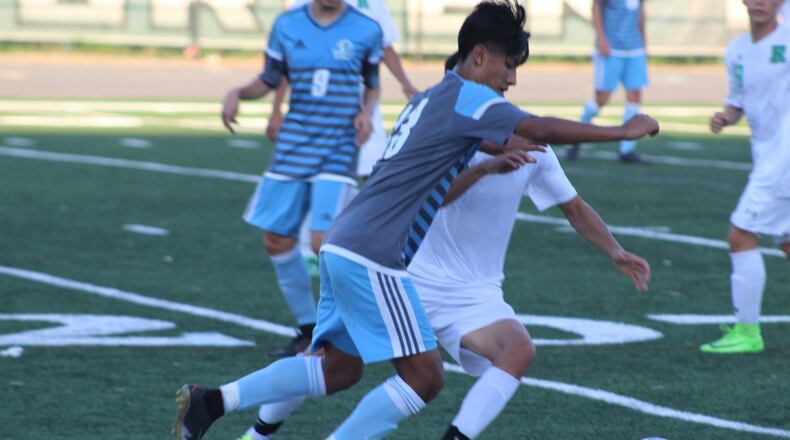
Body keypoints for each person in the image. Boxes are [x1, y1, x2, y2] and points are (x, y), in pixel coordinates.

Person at [173, 2, 659, 439]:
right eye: (508, 67)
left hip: (345, 243)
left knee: (338, 369)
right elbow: (537, 127)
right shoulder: (469, 98)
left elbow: (490, 141)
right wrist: (622, 128)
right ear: (479, 56)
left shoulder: (431, 98)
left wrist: (498, 156)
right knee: (426, 378)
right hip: (374, 255)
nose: (510, 81)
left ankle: (213, 401)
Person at [226, 0, 383, 358]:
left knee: (321, 244)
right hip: (294, 144)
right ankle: (310, 329)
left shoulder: (366, 28)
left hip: (339, 145)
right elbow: (269, 78)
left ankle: (352, 326)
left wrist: (366, 112)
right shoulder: (286, 25)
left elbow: (372, 83)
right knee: (276, 240)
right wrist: (238, 93)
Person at [700, 0, 790, 354]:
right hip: (766, 154)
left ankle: (747, 331)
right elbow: (737, 100)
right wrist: (725, 117)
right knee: (786, 241)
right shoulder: (736, 49)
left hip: (783, 158)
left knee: (740, 235)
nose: (759, 2)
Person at [567, 0, 649, 163]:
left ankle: (627, 149)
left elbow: (640, 11)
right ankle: (576, 136)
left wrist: (643, 41)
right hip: (612, 49)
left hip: (634, 49)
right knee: (602, 98)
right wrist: (602, 38)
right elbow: (596, 6)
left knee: (635, 94)